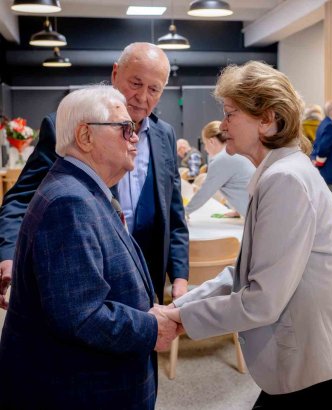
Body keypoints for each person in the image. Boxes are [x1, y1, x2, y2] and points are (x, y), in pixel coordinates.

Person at [164, 61, 332, 409]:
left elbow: (262, 300)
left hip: (326, 355)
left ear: (266, 119)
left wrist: (180, 319)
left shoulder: (285, 179)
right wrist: (179, 307)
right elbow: (243, 273)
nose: (223, 125)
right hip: (319, 349)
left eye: (230, 114)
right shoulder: (278, 172)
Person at [0, 86, 178, 409]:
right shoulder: (69, 203)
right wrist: (151, 326)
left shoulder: (81, 189)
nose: (135, 138)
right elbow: (82, 317)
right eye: (125, 129)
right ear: (85, 136)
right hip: (78, 389)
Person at [0, 42, 189, 309]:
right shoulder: (69, 126)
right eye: (136, 83)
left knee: (143, 328)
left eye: (154, 89)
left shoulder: (165, 135)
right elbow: (22, 199)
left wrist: (180, 275)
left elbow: (173, 211)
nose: (142, 97)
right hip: (87, 267)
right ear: (115, 74)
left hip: (147, 268)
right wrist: (8, 255)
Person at [185, 120, 255, 217]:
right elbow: (241, 184)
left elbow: (205, 192)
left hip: (255, 216)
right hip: (258, 211)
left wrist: (184, 212)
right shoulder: (235, 152)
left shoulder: (222, 159)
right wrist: (238, 211)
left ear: (211, 141)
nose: (205, 148)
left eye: (205, 143)